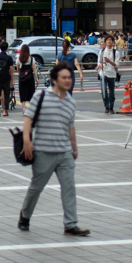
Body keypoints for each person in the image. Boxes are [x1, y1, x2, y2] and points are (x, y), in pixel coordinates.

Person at [17, 64, 89, 236]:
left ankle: (70, 224)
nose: (67, 80)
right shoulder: (41, 95)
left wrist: (74, 147)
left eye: (69, 77)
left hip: (64, 152)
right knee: (36, 186)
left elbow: (71, 127)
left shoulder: (71, 101)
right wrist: (27, 141)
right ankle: (25, 216)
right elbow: (28, 118)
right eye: (64, 77)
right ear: (55, 80)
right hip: (43, 151)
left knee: (69, 187)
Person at [0, 41, 14, 118]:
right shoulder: (9, 58)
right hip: (6, 78)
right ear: (7, 48)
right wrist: (12, 80)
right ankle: (5, 111)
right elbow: (11, 70)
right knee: (7, 94)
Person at [98, 37, 119, 114]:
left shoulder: (115, 52)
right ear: (105, 42)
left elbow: (116, 65)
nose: (109, 41)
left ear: (113, 42)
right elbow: (99, 62)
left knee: (112, 92)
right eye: (107, 40)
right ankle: (106, 106)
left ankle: (111, 107)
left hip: (112, 73)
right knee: (104, 91)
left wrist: (109, 61)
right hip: (103, 73)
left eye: (111, 40)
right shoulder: (102, 52)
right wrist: (100, 65)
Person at [16, 44, 38, 109]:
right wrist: (36, 78)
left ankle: (23, 108)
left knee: (22, 92)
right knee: (30, 92)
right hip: (30, 78)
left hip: (22, 78)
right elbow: (34, 69)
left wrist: (21, 74)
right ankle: (30, 107)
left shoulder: (19, 59)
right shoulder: (31, 59)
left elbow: (18, 69)